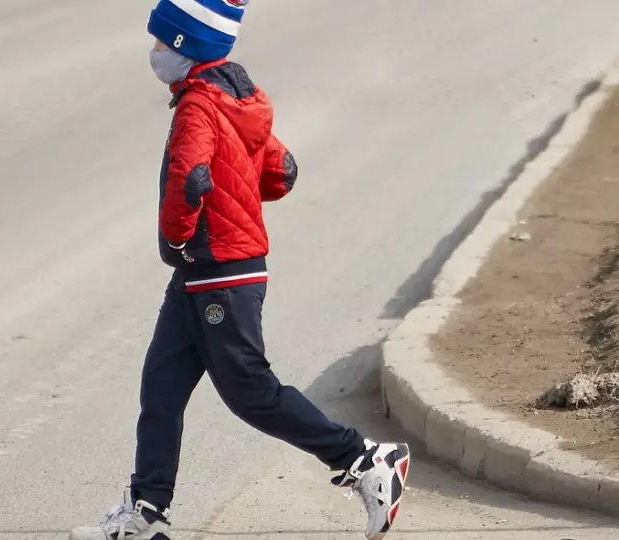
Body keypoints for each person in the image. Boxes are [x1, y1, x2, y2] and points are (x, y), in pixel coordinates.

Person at [71, 2, 410, 539]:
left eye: (162, 43)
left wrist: (178, 235)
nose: (155, 52)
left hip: (219, 270)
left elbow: (190, 176)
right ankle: (145, 513)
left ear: (185, 46)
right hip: (205, 272)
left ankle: (366, 461)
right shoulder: (237, 96)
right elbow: (279, 172)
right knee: (161, 387)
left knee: (250, 392)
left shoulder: (198, 106)